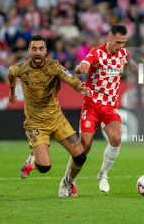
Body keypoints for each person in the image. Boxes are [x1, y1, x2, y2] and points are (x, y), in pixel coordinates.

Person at [58, 24, 144, 195]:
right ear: (109, 38)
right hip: (92, 104)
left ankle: (102, 174)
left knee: (116, 138)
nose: (121, 46)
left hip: (110, 106)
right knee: (84, 148)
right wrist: (82, 67)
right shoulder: (96, 52)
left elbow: (131, 66)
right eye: (118, 42)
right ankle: (68, 182)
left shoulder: (124, 53)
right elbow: (82, 65)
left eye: (124, 42)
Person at [8, 34, 91, 197]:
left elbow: (69, 78)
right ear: (29, 50)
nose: (37, 52)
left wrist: (79, 86)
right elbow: (11, 73)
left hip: (56, 119)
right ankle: (32, 160)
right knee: (45, 167)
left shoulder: (54, 66)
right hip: (35, 123)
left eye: (40, 49)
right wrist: (12, 91)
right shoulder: (21, 68)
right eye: (34, 49)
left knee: (80, 156)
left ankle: (68, 183)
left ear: (45, 50)